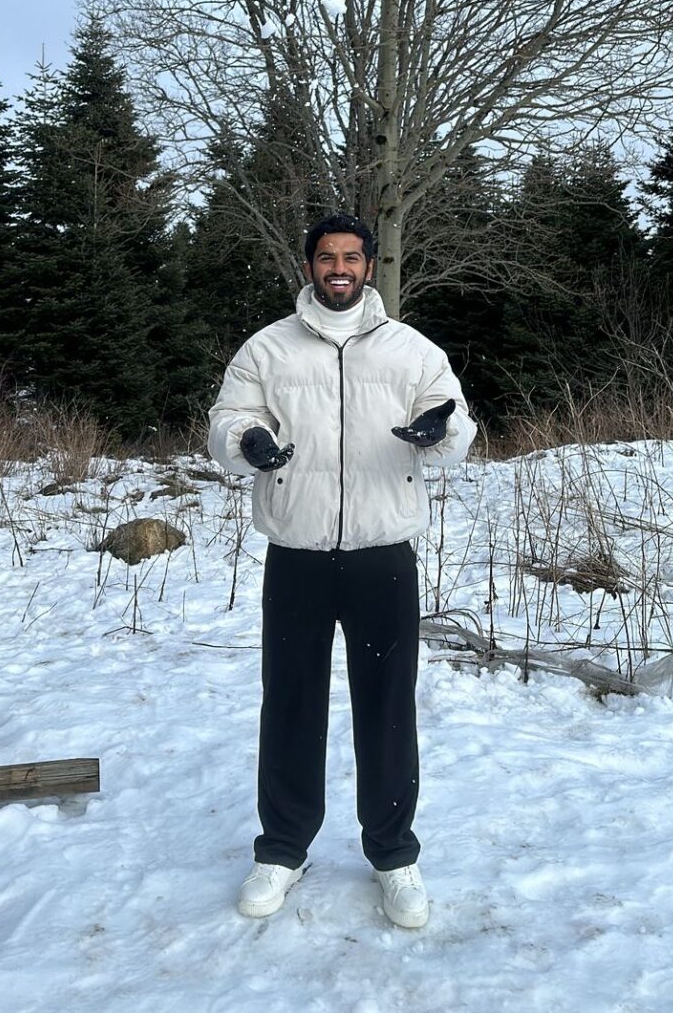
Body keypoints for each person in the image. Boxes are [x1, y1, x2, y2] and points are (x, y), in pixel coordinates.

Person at [207, 212, 476, 929]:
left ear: (369, 266)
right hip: (296, 551)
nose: (339, 269)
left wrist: (438, 430)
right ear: (309, 266)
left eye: (351, 258)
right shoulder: (267, 347)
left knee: (387, 705)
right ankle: (282, 849)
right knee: (290, 701)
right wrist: (247, 438)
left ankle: (393, 854)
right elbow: (226, 419)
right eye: (327, 257)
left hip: (382, 553)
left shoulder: (411, 349)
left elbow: (456, 422)